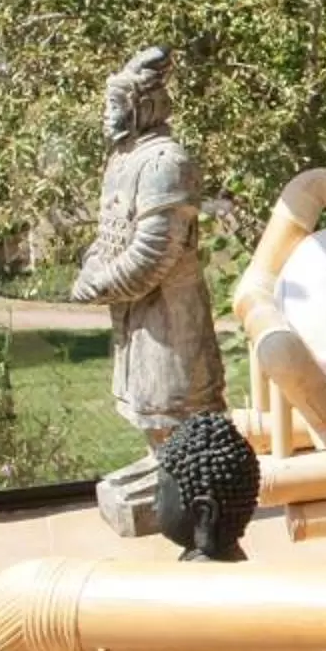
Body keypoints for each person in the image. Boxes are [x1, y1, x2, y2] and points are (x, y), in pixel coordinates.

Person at [74, 47, 227, 445]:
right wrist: (91, 265)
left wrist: (100, 283)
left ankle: (182, 474)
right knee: (148, 406)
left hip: (168, 311)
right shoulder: (123, 159)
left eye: (115, 106)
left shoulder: (165, 163)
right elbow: (111, 230)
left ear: (143, 107)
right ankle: (161, 467)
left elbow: (154, 252)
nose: (107, 115)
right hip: (135, 312)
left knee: (179, 407)